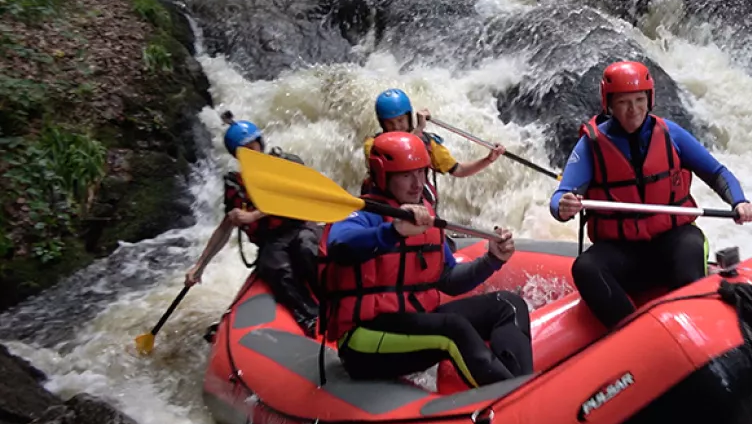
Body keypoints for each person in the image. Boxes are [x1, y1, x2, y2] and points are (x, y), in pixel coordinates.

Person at [550, 61, 752, 329]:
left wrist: (739, 201)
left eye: (639, 99)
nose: (633, 109)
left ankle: (693, 324)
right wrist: (564, 207)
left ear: (650, 99)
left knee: (690, 246)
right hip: (623, 252)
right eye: (624, 102)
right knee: (585, 267)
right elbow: (561, 197)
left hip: (671, 241)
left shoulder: (672, 134)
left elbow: (718, 173)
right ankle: (633, 334)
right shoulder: (591, 145)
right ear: (609, 104)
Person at [321, 131, 533, 387]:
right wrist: (392, 231)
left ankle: (521, 388)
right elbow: (340, 246)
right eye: (406, 174)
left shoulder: (425, 218)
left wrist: (492, 260)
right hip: (364, 339)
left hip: (413, 322)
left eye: (421, 172)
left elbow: (449, 281)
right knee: (452, 329)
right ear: (382, 175)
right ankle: (509, 400)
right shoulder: (362, 214)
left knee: (507, 304)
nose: (417, 183)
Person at [186, 112, 321, 336]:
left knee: (308, 247)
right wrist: (200, 266)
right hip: (272, 242)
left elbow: (296, 196)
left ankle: (339, 300)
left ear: (261, 144)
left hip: (300, 227)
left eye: (254, 146)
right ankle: (310, 316)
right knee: (274, 267)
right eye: (245, 150)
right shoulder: (235, 184)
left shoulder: (283, 164)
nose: (252, 152)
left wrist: (254, 216)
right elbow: (224, 227)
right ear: (236, 155)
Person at [361, 88, 506, 209]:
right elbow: (399, 150)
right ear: (382, 123)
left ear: (408, 118)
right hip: (384, 206)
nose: (396, 127)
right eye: (390, 123)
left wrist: (488, 160)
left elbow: (459, 170)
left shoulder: (427, 143)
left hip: (416, 205)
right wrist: (418, 130)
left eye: (400, 121)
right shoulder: (372, 145)